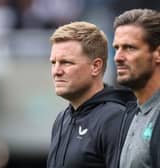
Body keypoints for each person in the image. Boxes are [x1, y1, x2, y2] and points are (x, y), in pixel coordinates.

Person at [47, 21, 137, 168]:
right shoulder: (61, 119)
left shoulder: (116, 119)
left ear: (95, 67)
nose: (56, 71)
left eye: (66, 62)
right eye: (53, 62)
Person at [113, 8, 160, 168]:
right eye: (116, 48)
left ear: (157, 54)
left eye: (129, 48)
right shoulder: (132, 114)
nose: (118, 57)